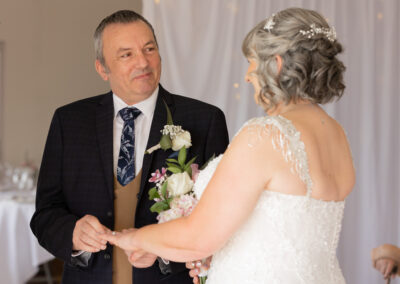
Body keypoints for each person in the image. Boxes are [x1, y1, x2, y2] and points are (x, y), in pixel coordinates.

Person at [100, 7, 355, 284]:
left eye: (252, 61)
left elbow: (199, 236)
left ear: (277, 64)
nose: (247, 76)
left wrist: (134, 237)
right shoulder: (336, 133)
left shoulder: (266, 134)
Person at [30, 10, 229, 284]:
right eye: (126, 55)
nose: (143, 62)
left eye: (149, 49)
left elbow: (220, 217)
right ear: (102, 68)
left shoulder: (205, 121)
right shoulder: (69, 122)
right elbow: (45, 214)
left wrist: (163, 252)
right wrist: (72, 233)